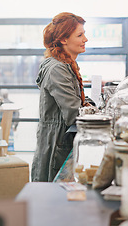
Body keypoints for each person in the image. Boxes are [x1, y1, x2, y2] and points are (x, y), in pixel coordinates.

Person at [31, 12, 91, 182]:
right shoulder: (57, 69)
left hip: (59, 140)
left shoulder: (65, 64)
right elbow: (74, 112)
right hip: (56, 144)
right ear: (64, 39)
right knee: (52, 198)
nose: (85, 39)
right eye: (80, 35)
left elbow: (77, 102)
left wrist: (89, 106)